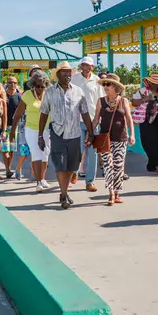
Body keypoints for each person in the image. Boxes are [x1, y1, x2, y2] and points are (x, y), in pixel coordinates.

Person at [38, 61, 93, 210]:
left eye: (69, 72)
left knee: (71, 166)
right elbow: (43, 114)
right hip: (57, 133)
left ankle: (65, 192)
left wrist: (91, 131)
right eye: (64, 72)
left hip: (74, 134)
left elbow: (85, 113)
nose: (68, 74)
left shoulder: (78, 91)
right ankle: (63, 194)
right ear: (58, 75)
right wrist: (40, 135)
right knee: (60, 165)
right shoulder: (50, 92)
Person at [90, 73, 134, 205]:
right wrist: (90, 133)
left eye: (108, 84)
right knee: (108, 166)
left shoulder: (123, 101)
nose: (105, 86)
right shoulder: (101, 101)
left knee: (118, 166)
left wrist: (132, 135)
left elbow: (128, 118)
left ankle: (117, 193)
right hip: (105, 139)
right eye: (104, 84)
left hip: (121, 138)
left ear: (115, 86)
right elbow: (96, 119)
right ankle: (110, 193)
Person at [12, 67, 51, 191]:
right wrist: (13, 130)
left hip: (47, 129)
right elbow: (18, 114)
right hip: (31, 129)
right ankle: (38, 182)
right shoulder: (27, 95)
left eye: (43, 86)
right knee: (36, 153)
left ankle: (43, 178)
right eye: (38, 86)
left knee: (45, 154)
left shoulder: (49, 94)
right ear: (33, 85)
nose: (40, 89)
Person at [73, 56, 102, 192]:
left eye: (87, 65)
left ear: (92, 67)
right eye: (83, 65)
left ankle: (90, 181)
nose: (84, 68)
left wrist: (98, 119)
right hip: (77, 120)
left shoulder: (97, 81)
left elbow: (100, 101)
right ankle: (73, 172)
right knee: (78, 150)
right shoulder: (74, 78)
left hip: (92, 121)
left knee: (92, 152)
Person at [2, 78, 23, 179]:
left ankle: (9, 168)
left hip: (15, 127)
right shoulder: (2, 95)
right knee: (5, 148)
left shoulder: (19, 97)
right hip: (3, 127)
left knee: (11, 149)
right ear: (7, 83)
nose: (12, 84)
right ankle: (7, 169)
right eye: (10, 82)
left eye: (15, 82)